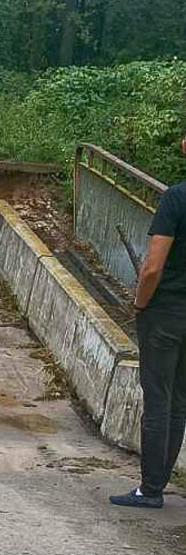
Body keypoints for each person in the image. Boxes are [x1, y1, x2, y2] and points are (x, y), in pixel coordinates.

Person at [110, 156, 186, 509]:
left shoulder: (176, 197)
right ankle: (157, 484)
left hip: (165, 315)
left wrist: (140, 304)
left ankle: (150, 489)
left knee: (158, 400)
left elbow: (152, 267)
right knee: (178, 403)